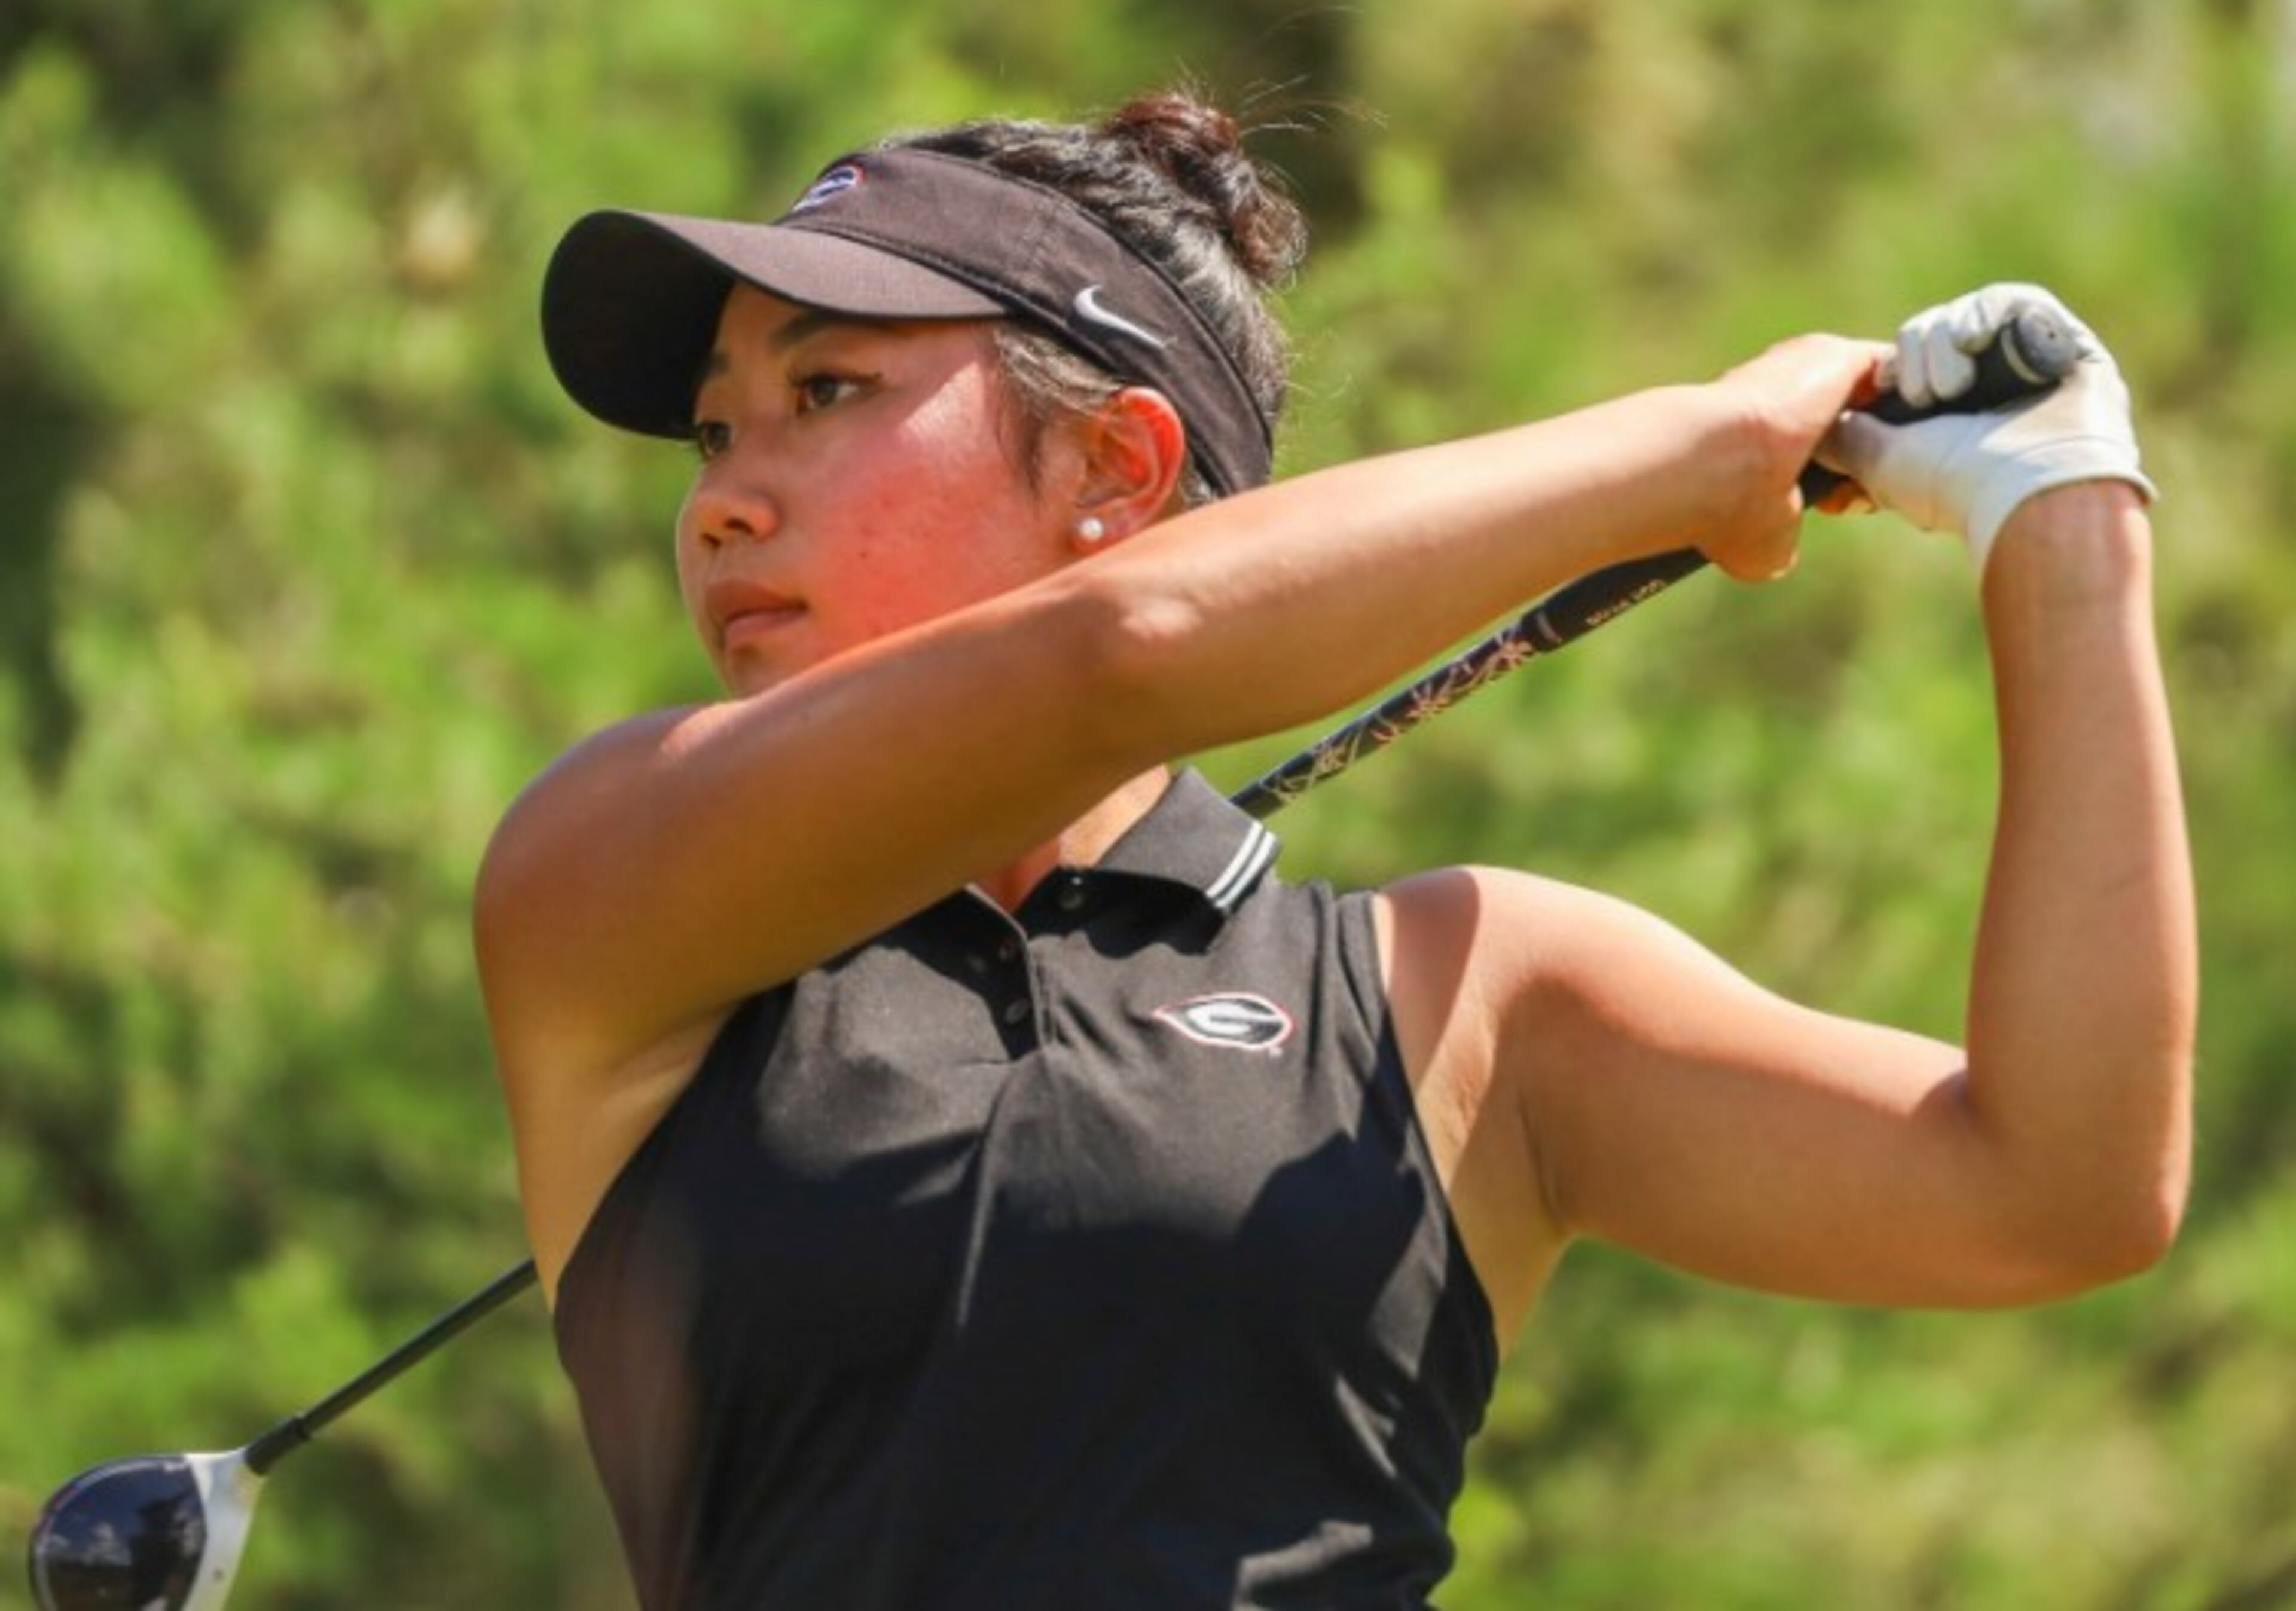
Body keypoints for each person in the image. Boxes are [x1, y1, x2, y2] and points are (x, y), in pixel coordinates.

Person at [475, 88, 2194, 1610]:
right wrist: (1695, 450)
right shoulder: (610, 890)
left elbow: (2062, 1186)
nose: (722, 499)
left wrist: (2060, 518)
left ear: (1114, 465)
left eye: (824, 390)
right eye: (716, 432)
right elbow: (1126, 653)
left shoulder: (1467, 996)